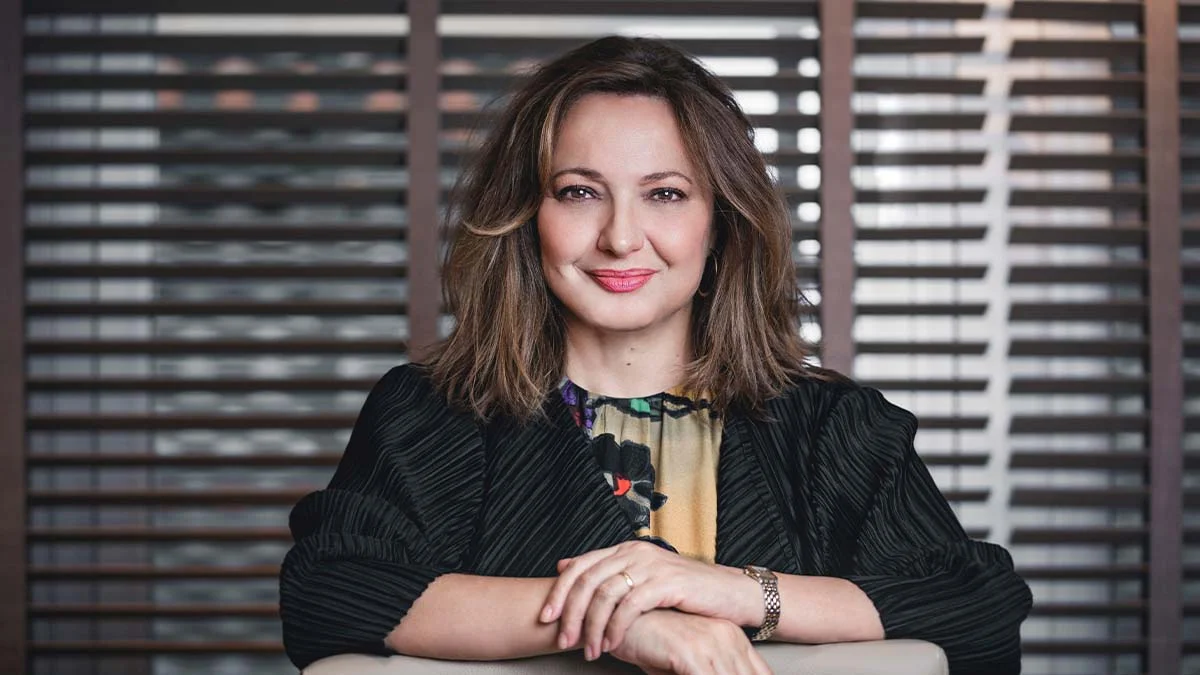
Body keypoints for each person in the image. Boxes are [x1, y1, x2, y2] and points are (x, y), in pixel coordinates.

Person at [279, 36, 1032, 675]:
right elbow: (330, 592)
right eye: (579, 192)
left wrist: (736, 591)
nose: (620, 237)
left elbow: (978, 608)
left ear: (721, 221)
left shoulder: (838, 428)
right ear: (527, 216)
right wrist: (623, 620)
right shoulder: (432, 413)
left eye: (665, 194)